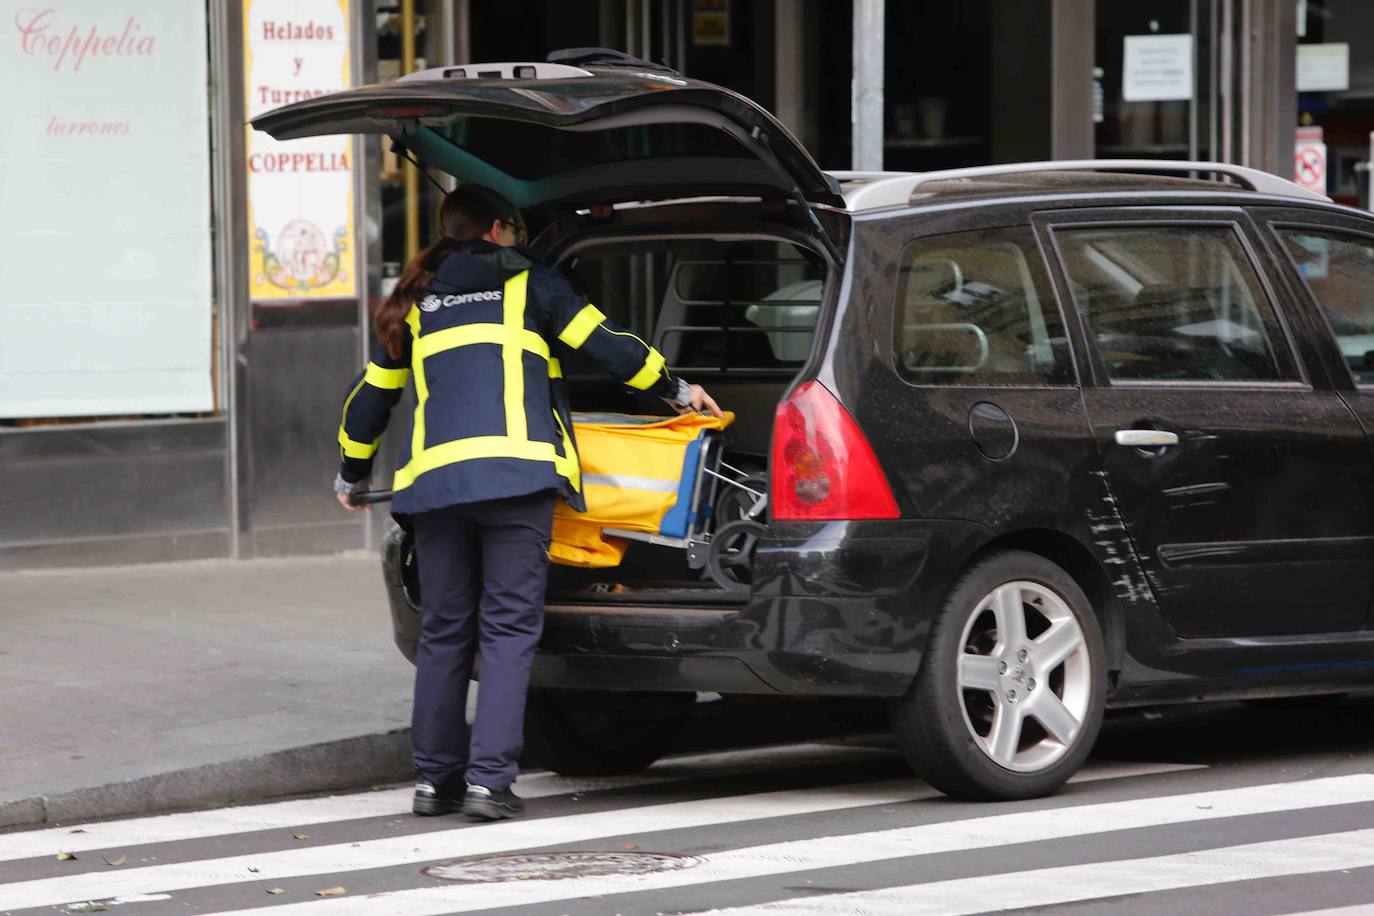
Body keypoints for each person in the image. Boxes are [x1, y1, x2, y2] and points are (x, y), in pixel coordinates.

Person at [332, 184, 722, 821]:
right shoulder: (532, 284)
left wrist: (351, 474)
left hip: (436, 491)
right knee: (509, 628)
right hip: (517, 482)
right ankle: (489, 784)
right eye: (513, 229)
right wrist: (676, 388)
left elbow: (370, 399)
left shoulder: (417, 300)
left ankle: (434, 784)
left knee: (444, 632)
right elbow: (608, 346)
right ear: (494, 231)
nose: (516, 239)